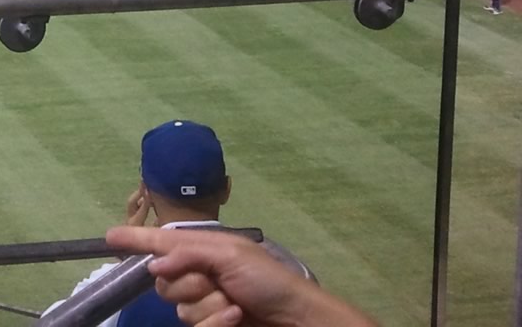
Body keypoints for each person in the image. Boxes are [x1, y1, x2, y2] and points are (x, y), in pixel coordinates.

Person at [46, 120, 312, 327]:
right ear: (226, 189)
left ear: (145, 193)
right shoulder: (288, 274)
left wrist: (125, 262)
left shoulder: (115, 286)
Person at [105, 225, 376, 327]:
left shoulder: (112, 286)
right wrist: (298, 307)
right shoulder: (297, 272)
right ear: (226, 188)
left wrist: (297, 307)